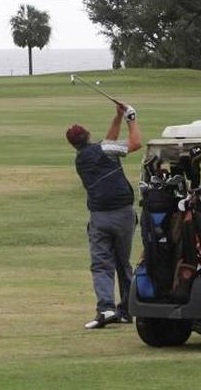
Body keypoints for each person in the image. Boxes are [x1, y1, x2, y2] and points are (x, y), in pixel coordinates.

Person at [65, 102, 141, 329]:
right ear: (88, 135)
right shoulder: (104, 150)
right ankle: (127, 310)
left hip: (99, 217)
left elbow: (107, 144)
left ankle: (106, 309)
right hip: (123, 215)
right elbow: (135, 143)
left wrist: (117, 118)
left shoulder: (80, 159)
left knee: (101, 265)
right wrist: (131, 118)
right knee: (122, 263)